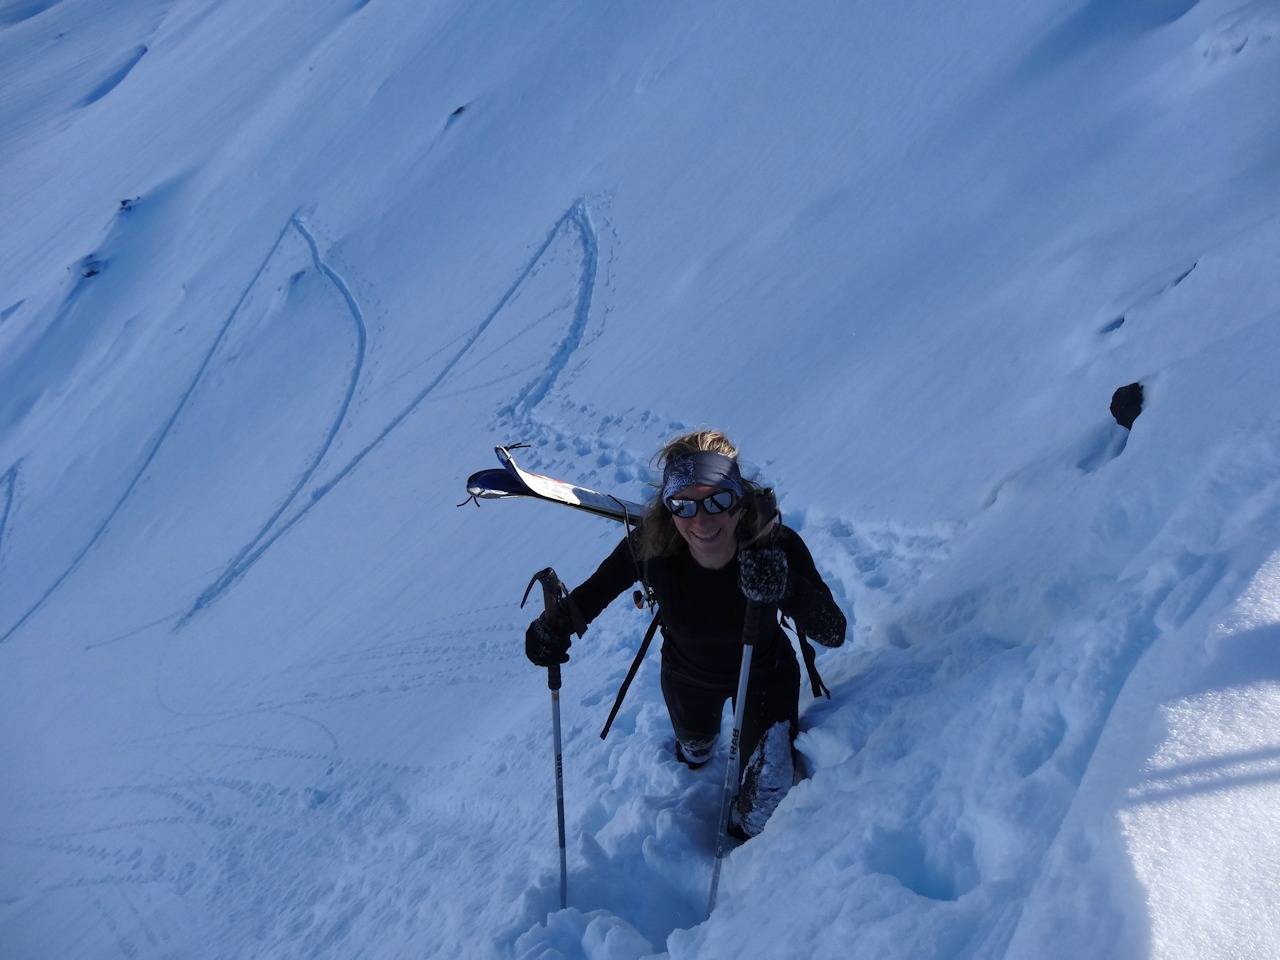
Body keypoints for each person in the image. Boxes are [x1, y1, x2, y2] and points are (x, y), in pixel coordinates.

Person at [524, 430, 846, 839]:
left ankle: (746, 848)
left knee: (767, 796)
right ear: (668, 508)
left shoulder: (774, 547)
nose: (702, 519)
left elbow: (834, 631)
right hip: (687, 678)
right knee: (696, 750)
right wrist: (549, 632)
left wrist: (785, 587)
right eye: (683, 505)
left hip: (765, 675)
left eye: (717, 500)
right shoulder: (652, 546)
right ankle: (696, 752)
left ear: (739, 500)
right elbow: (589, 598)